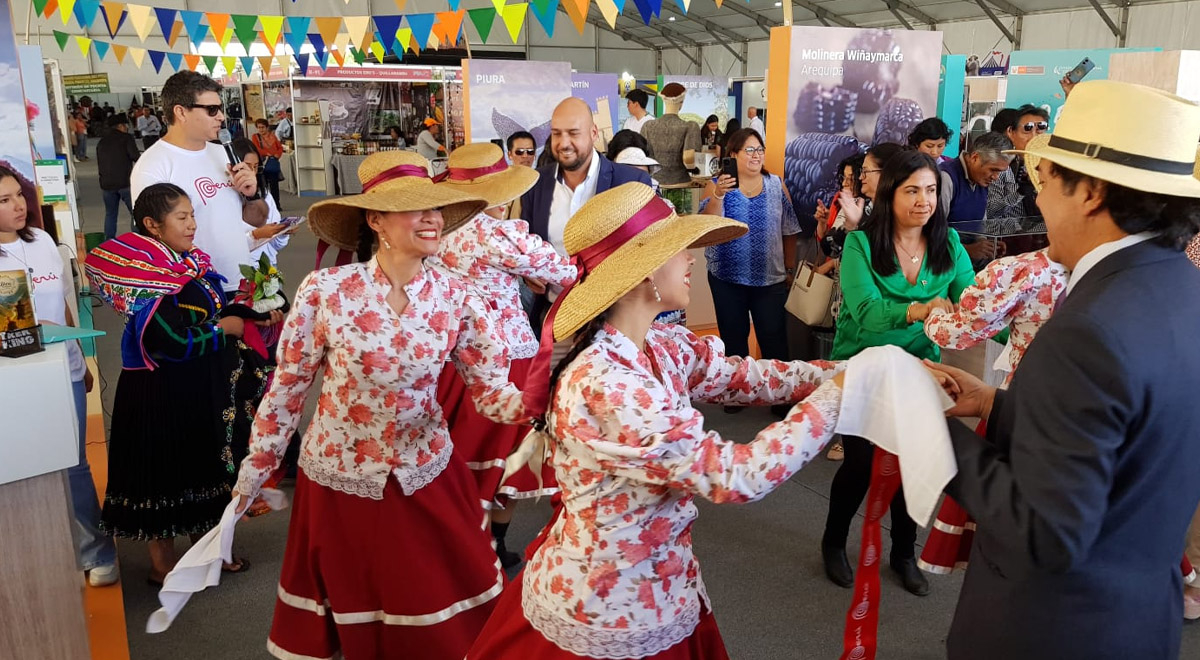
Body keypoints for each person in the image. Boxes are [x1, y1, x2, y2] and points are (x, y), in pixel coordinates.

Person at [465, 182, 849, 660]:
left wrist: (850, 370)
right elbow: (735, 475)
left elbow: (743, 376)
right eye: (677, 249)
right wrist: (837, 397)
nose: (691, 259)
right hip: (608, 608)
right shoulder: (607, 382)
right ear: (642, 273)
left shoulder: (658, 346)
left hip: (656, 584)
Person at [926, 80, 1200, 660]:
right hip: (1139, 617)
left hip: (1054, 628)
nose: (1038, 198)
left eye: (1046, 180)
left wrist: (916, 421)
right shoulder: (1179, 287)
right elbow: (1128, 439)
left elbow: (1046, 531)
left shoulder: (1093, 326)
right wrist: (997, 404)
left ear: (1092, 192)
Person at [231, 151, 525, 660]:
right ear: (375, 220)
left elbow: (492, 392)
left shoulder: (458, 297)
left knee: (437, 606)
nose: (433, 218)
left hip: (424, 473)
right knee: (354, 601)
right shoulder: (326, 291)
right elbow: (288, 388)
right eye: (416, 208)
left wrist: (553, 397)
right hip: (340, 479)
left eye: (437, 208)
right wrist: (256, 468)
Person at [85, 183, 271, 583]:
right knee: (163, 474)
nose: (191, 225)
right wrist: (225, 331)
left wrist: (248, 312)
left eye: (192, 216)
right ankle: (163, 566)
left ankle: (209, 551)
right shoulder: (150, 275)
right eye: (181, 217)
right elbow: (167, 341)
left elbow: (208, 310)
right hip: (160, 391)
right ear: (153, 224)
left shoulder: (186, 263)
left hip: (193, 386)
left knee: (201, 468)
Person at [821, 150, 975, 597]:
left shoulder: (949, 246)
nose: (923, 200)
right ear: (890, 194)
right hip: (864, 368)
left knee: (913, 465)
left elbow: (975, 308)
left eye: (930, 190)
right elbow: (866, 312)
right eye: (912, 190)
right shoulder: (861, 244)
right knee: (861, 465)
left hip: (920, 372)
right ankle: (834, 542)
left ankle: (904, 552)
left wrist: (1023, 327)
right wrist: (919, 308)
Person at [428, 142, 577, 567]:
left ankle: (461, 543)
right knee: (506, 459)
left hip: (446, 358)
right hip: (503, 357)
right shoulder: (494, 234)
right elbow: (564, 272)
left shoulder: (435, 229)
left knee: (458, 456)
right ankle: (489, 545)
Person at [0, 165, 117, 587]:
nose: (18, 206)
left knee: (73, 465)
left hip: (60, 372)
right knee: (23, 471)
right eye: (4, 200)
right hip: (12, 381)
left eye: (18, 195)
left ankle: (96, 552)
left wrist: (80, 360)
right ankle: (36, 557)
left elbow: (64, 305)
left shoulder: (43, 240)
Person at [130, 70, 267, 296]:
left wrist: (251, 195)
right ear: (181, 112)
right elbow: (154, 241)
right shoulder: (153, 166)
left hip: (242, 283)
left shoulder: (224, 154)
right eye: (211, 110)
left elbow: (257, 220)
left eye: (220, 109)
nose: (221, 116)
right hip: (196, 292)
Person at [699, 128, 799, 416]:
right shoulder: (717, 186)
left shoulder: (776, 184)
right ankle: (737, 392)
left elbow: (789, 230)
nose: (756, 156)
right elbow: (705, 226)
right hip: (726, 276)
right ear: (733, 155)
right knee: (734, 336)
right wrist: (718, 193)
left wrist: (789, 268)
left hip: (770, 278)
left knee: (773, 337)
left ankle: (779, 395)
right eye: (749, 150)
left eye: (759, 150)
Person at [520, 97, 652, 257]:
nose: (564, 143)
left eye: (573, 133)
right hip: (550, 283)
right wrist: (531, 273)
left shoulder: (632, 182)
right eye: (557, 134)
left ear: (594, 133)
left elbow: (645, 250)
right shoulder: (535, 183)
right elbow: (528, 245)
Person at [938, 131, 1014, 266]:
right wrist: (967, 250)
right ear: (974, 158)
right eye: (993, 170)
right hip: (944, 262)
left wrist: (986, 246)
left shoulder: (980, 179)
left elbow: (979, 221)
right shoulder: (946, 178)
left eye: (1000, 172)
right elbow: (930, 230)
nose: (996, 177)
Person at [986, 104, 1049, 232]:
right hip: (1005, 240)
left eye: (1041, 128)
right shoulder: (1001, 166)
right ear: (1011, 132)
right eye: (1027, 129)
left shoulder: (1050, 167)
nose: (1034, 136)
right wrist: (1020, 192)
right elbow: (991, 212)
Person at [641, 83, 702, 185]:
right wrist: (695, 170)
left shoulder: (648, 126)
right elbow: (689, 159)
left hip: (655, 183)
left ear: (664, 100)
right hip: (681, 182)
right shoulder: (690, 126)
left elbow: (644, 156)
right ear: (681, 102)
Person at [96, 114, 140, 239]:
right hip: (124, 182)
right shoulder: (126, 138)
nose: (127, 128)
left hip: (106, 184)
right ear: (121, 126)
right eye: (126, 125)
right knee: (136, 213)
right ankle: (139, 240)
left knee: (110, 214)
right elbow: (135, 156)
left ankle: (109, 242)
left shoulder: (102, 141)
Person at [251, 118, 284, 209]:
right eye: (259, 127)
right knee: (262, 186)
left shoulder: (273, 136)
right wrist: (267, 153)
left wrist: (278, 154)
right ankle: (265, 205)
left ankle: (276, 204)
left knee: (274, 186)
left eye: (263, 127)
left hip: (272, 163)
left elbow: (280, 148)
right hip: (262, 164)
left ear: (267, 127)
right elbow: (256, 149)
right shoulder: (255, 137)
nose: (261, 129)